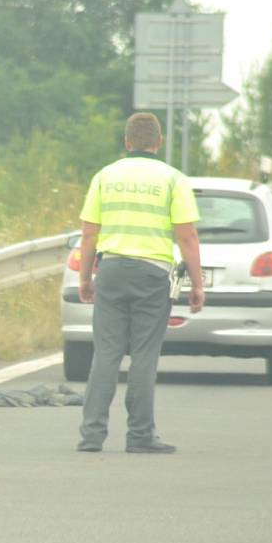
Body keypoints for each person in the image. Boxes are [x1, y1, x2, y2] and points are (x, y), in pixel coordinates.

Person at [76, 112, 205, 454]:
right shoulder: (173, 180)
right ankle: (140, 436)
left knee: (105, 354)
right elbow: (187, 237)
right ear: (158, 143)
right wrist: (197, 284)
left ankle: (91, 436)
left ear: (127, 142)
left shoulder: (105, 177)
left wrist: (85, 277)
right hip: (152, 275)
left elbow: (89, 234)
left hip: (112, 271)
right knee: (144, 356)